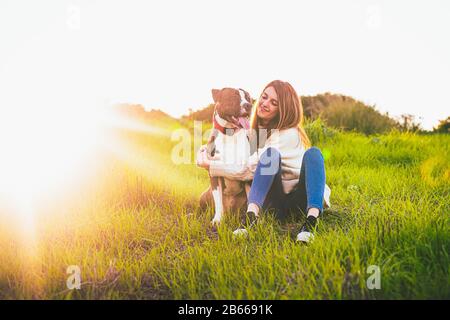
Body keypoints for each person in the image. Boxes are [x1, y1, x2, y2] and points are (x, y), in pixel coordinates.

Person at [197, 80, 330, 243]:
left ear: (283, 109)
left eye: (274, 102)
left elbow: (249, 169)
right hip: (274, 201)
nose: (265, 103)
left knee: (313, 154)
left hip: (299, 199)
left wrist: (210, 166)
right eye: (264, 97)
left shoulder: (288, 134)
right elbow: (230, 149)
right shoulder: (255, 131)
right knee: (269, 155)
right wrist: (205, 149)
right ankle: (250, 220)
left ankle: (310, 223)